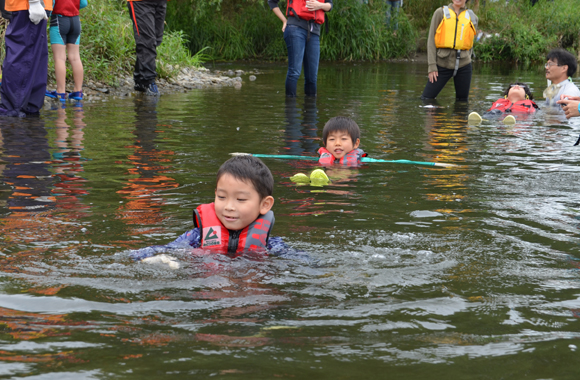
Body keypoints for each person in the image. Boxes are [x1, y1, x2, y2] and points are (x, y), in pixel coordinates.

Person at [131, 155, 290, 260]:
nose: (228, 206)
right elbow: (168, 249)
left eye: (240, 199)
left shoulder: (269, 244)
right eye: (221, 197)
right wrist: (141, 255)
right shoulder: (197, 236)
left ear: (265, 205)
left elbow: (299, 259)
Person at [268, 0, 333, 97]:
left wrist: (319, 5)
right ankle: (290, 108)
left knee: (312, 77)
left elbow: (329, 5)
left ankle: (310, 109)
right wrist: (284, 20)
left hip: (314, 32)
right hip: (295, 28)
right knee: (294, 72)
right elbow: (272, 2)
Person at [0, 0, 52, 117]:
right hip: (32, 5)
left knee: (21, 55)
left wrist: (34, 2)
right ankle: (28, 109)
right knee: (34, 57)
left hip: (27, 5)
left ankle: (13, 108)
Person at [421, 0, 478, 102]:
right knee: (426, 99)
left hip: (464, 66)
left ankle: (459, 118)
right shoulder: (440, 13)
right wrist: (432, 66)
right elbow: (431, 41)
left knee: (462, 102)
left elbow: (470, 42)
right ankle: (438, 117)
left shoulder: (472, 17)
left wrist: (468, 58)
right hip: (442, 64)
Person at [45, 0, 87, 102]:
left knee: (60, 58)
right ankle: (78, 91)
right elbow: (84, 3)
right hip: (76, 20)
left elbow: (51, 3)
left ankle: (61, 92)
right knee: (75, 57)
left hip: (59, 20)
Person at [127, 0, 168, 96]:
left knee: (156, 40)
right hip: (141, 3)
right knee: (147, 41)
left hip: (161, 2)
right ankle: (149, 82)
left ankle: (140, 79)